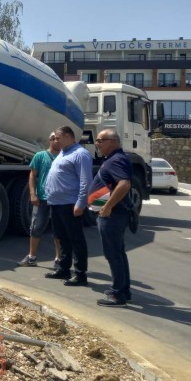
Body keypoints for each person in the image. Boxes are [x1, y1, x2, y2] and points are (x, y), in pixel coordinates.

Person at [43, 126, 93, 286]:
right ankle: (64, 268)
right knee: (61, 237)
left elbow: (86, 181)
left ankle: (80, 274)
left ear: (68, 137)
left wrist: (81, 203)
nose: (55, 141)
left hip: (70, 203)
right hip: (56, 203)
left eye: (58, 138)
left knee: (76, 239)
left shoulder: (80, 154)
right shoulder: (63, 153)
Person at [91, 130, 133, 306]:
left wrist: (107, 206)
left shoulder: (116, 160)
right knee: (118, 253)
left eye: (101, 140)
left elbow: (124, 184)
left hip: (112, 215)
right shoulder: (114, 159)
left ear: (113, 141)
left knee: (113, 253)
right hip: (112, 214)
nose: (97, 144)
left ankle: (118, 295)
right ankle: (123, 289)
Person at [18, 133, 62, 268]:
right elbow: (33, 175)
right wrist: (32, 193)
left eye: (58, 138)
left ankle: (59, 259)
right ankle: (32, 257)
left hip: (59, 199)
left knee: (58, 230)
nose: (56, 141)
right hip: (42, 198)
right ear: (49, 140)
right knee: (36, 228)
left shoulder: (65, 156)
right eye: (53, 138)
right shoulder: (40, 156)